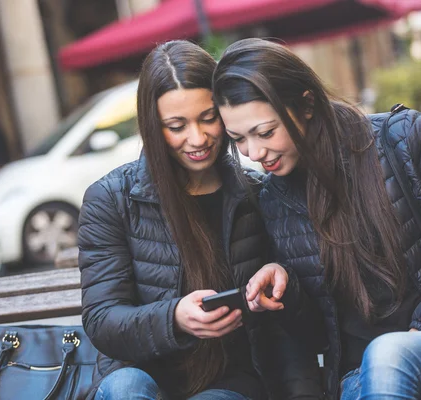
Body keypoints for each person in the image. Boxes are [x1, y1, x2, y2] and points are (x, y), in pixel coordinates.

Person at [212, 38, 421, 400]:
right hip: (361, 379)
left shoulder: (406, 138)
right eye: (239, 139)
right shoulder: (273, 198)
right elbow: (317, 337)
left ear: (306, 104)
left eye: (265, 132)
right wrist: (288, 290)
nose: (254, 152)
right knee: (377, 368)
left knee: (389, 354)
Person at [78, 40, 320, 400]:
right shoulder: (112, 199)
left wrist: (282, 283)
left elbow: (294, 325)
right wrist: (174, 318)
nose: (198, 138)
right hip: (137, 371)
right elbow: (102, 319)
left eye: (208, 118)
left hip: (228, 379)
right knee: (128, 389)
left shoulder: (257, 194)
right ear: (152, 124)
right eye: (176, 125)